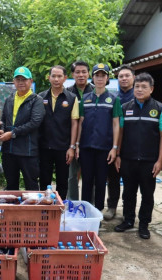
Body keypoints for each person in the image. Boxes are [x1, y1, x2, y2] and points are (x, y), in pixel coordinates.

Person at [114, 72, 162, 239]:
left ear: (151, 89)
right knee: (128, 193)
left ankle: (144, 224)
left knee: (147, 194)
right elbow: (121, 133)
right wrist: (118, 155)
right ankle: (128, 220)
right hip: (128, 159)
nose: (139, 89)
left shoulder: (160, 109)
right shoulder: (125, 108)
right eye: (137, 86)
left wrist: (160, 161)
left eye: (143, 87)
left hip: (149, 161)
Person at [76, 63, 121, 212]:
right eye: (97, 75)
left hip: (104, 148)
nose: (100, 78)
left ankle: (98, 213)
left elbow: (116, 125)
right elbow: (80, 122)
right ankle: (85, 212)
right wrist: (76, 144)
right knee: (87, 181)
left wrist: (114, 148)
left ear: (107, 78)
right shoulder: (85, 98)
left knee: (101, 182)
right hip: (86, 147)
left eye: (103, 75)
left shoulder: (114, 99)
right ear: (92, 78)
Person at [0, 66, 45, 190]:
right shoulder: (10, 99)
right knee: (11, 186)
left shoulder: (37, 100)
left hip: (27, 151)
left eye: (24, 79)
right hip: (9, 150)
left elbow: (34, 122)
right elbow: (3, 119)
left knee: (31, 186)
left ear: (31, 81)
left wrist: (12, 133)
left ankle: (32, 210)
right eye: (18, 79)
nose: (21, 82)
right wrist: (2, 129)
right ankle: (12, 210)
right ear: (14, 81)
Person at [38, 65, 79, 199]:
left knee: (62, 181)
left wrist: (71, 147)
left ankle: (60, 209)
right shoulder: (40, 97)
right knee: (44, 180)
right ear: (49, 78)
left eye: (59, 76)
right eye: (53, 76)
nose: (56, 79)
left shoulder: (72, 98)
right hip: (44, 146)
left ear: (65, 78)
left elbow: (74, 123)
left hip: (63, 147)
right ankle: (45, 209)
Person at [104, 65, 135, 220]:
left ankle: (128, 211)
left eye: (127, 76)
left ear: (133, 78)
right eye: (121, 76)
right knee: (113, 178)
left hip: (132, 145)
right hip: (114, 143)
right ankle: (112, 207)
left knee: (130, 181)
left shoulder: (138, 96)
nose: (123, 78)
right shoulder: (112, 97)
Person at [66, 61, 95, 200]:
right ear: (72, 74)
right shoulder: (67, 93)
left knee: (91, 175)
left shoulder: (97, 92)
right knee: (72, 175)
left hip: (92, 140)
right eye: (77, 72)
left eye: (84, 72)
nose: (81, 75)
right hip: (71, 140)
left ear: (88, 74)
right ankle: (72, 204)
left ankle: (90, 205)